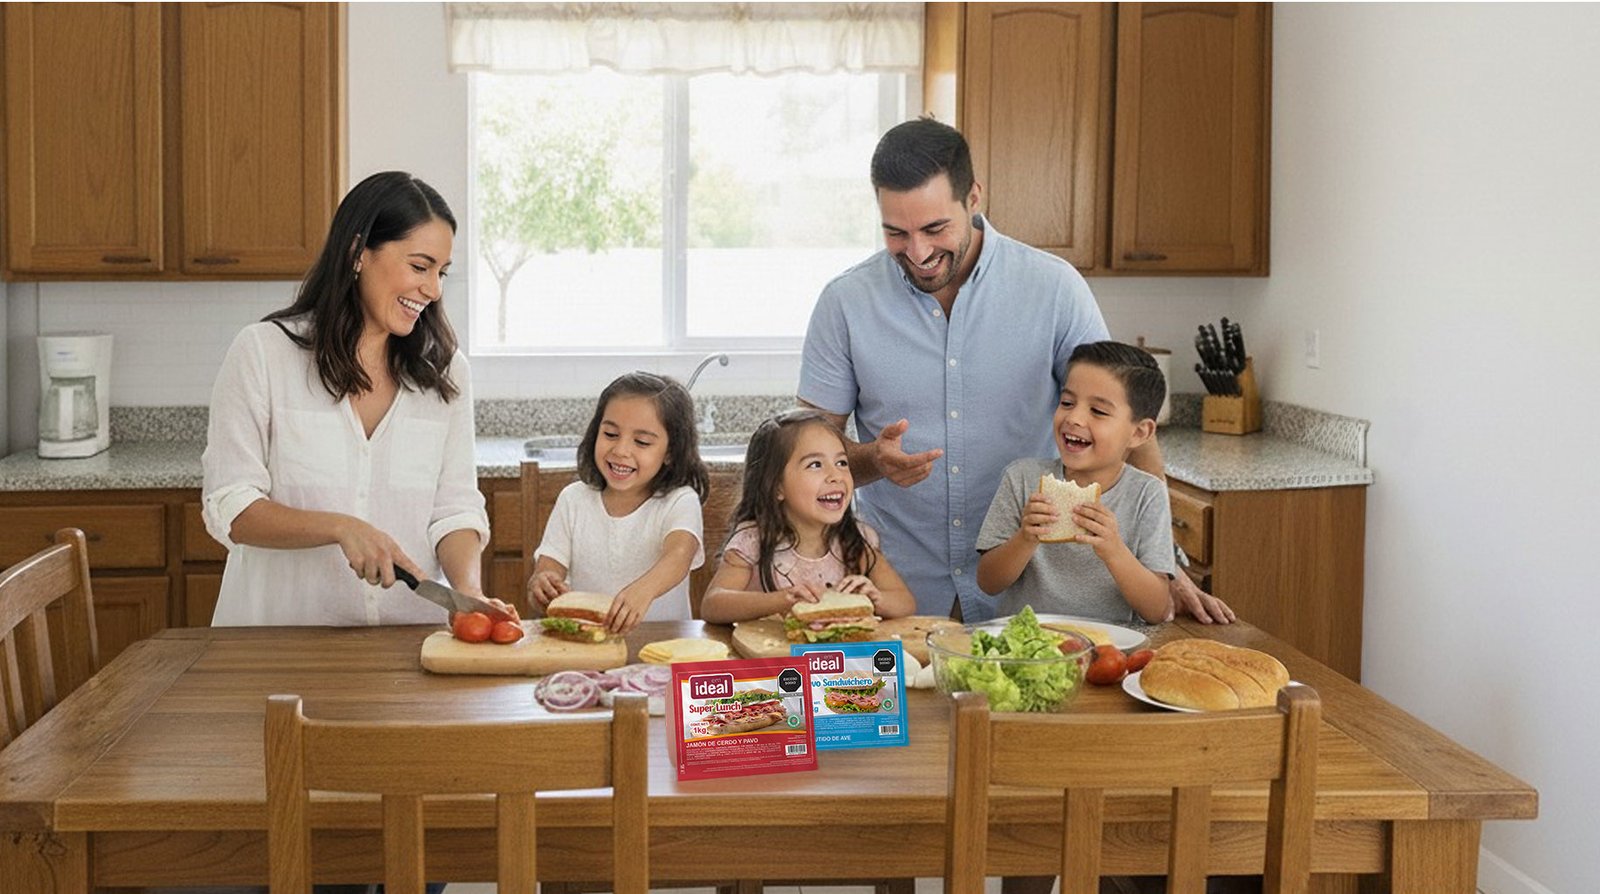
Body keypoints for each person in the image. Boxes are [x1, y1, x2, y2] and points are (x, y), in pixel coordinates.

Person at [798, 117, 1234, 625]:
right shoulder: (845, 302)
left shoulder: (1054, 289)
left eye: (935, 229)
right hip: (894, 589)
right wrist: (871, 459)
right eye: (897, 232)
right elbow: (806, 450)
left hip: (1037, 603)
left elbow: (1125, 416)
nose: (918, 252)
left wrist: (1166, 565)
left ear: (974, 197)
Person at [202, 171, 496, 630]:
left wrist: (468, 590)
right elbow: (232, 508)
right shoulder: (262, 353)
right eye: (420, 267)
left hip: (407, 640)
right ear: (358, 253)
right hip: (277, 639)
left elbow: (455, 508)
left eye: (441, 272)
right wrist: (341, 527)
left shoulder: (445, 371)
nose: (434, 289)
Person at [976, 341, 1175, 624]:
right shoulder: (1021, 478)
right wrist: (1025, 538)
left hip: (1108, 646)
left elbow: (1156, 610)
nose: (1074, 418)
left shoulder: (1147, 493)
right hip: (1027, 642)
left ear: (1139, 433)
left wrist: (1114, 551)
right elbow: (988, 582)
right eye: (1067, 403)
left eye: (1098, 411)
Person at [526, 372, 709, 633]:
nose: (621, 450)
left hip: (664, 645)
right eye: (611, 434)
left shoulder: (680, 501)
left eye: (642, 442)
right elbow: (548, 567)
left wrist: (643, 590)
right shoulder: (573, 499)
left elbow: (679, 555)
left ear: (670, 452)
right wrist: (542, 584)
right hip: (590, 645)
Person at [700, 409, 917, 624]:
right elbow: (713, 605)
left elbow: (905, 603)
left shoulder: (856, 540)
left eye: (842, 463)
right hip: (771, 646)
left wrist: (875, 598)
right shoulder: (753, 540)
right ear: (776, 486)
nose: (836, 476)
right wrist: (781, 600)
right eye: (815, 465)